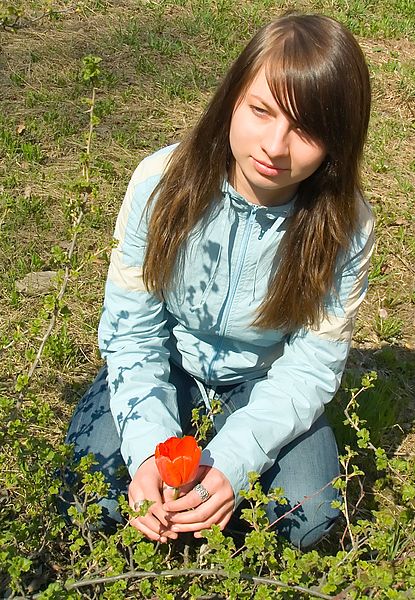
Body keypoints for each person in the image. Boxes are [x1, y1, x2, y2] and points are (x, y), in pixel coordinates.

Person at [64, 11, 375, 551]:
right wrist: (149, 454)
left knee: (311, 516)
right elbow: (132, 333)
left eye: (307, 129)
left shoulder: (346, 226)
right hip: (168, 364)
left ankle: (212, 502)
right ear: (232, 98)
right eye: (261, 110)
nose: (275, 146)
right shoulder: (160, 185)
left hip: (262, 384)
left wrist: (232, 462)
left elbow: (309, 369)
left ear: (337, 143)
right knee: (95, 485)